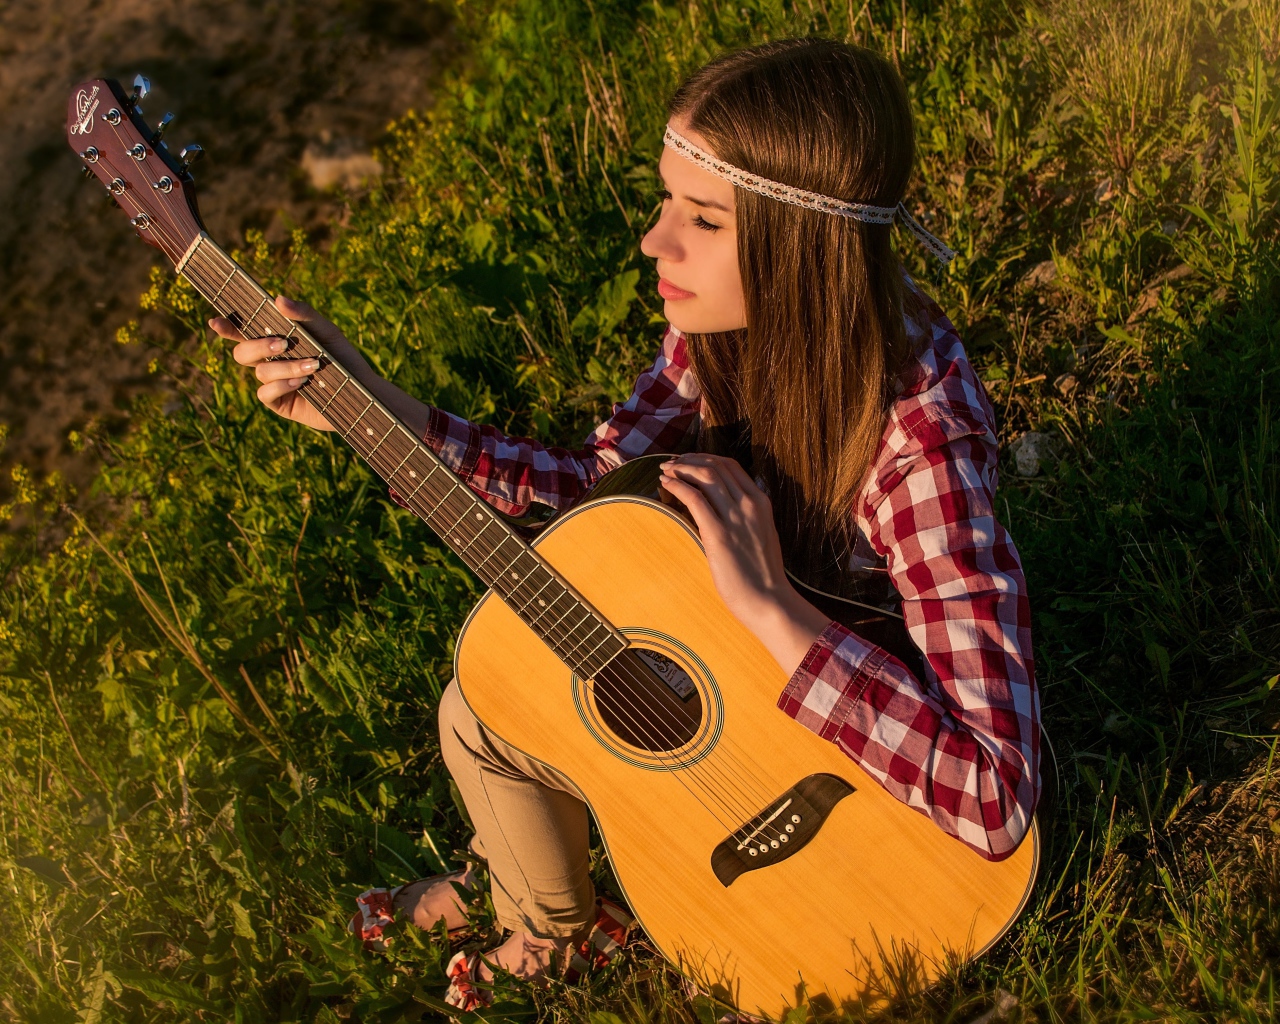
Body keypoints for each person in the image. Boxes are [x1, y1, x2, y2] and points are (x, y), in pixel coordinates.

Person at [210, 38, 1039, 1006]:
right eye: (663, 200)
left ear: (798, 244)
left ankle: (543, 926)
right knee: (494, 686)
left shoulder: (917, 448)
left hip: (844, 777)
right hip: (738, 678)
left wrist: (769, 606)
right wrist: (382, 411)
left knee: (471, 716)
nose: (654, 241)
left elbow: (992, 795)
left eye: (701, 218)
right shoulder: (718, 329)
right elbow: (593, 487)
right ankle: (537, 900)